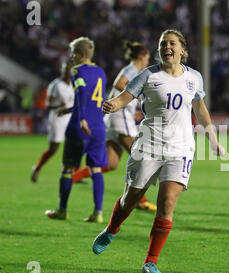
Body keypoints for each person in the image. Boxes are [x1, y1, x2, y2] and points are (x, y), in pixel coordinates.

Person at [91, 29, 225, 273]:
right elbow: (125, 97)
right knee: (130, 199)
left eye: (172, 43)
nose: (167, 47)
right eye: (163, 44)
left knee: (168, 202)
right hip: (149, 144)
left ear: (182, 50)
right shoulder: (148, 75)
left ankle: (150, 261)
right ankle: (111, 229)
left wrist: (213, 139)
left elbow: (200, 109)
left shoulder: (194, 78)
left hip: (181, 147)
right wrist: (112, 105)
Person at [72, 40, 157, 211]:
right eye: (147, 58)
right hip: (120, 119)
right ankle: (141, 201)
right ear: (141, 56)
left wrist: (133, 106)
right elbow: (119, 83)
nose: (148, 62)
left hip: (115, 119)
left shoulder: (132, 69)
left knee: (111, 164)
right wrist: (137, 97)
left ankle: (72, 177)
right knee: (139, 157)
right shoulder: (133, 68)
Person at [45, 37, 108, 223]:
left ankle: (62, 210)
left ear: (81, 55)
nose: (71, 58)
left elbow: (81, 93)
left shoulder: (76, 70)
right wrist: (71, 109)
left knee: (67, 168)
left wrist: (80, 118)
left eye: (73, 54)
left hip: (80, 128)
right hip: (98, 127)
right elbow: (96, 100)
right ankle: (98, 213)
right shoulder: (101, 72)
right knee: (95, 168)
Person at [31, 61, 74, 182]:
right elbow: (48, 104)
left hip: (70, 118)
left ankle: (74, 173)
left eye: (69, 69)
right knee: (53, 149)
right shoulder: (55, 85)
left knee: (74, 144)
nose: (67, 72)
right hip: (57, 118)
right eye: (65, 69)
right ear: (61, 70)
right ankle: (37, 168)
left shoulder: (73, 84)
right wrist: (58, 105)